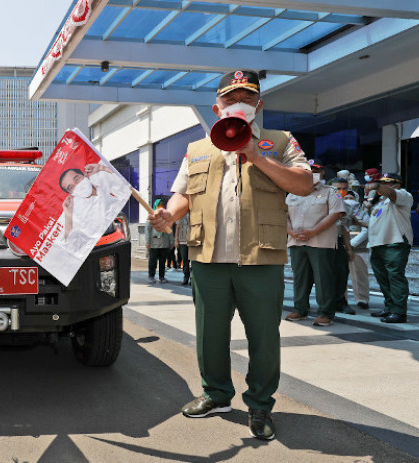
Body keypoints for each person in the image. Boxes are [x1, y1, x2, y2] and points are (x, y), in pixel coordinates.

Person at [148, 70, 312, 441]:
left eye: (248, 97)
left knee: (264, 338)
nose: (239, 103)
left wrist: (256, 156)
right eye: (230, 98)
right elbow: (183, 195)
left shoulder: (280, 141)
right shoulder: (197, 149)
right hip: (208, 258)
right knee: (210, 335)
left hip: (261, 258)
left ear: (259, 104)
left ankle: (260, 404)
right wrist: (168, 215)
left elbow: (303, 184)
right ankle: (216, 395)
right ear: (216, 106)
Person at [284, 164, 346, 326]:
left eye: (315, 171)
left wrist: (312, 231)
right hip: (296, 242)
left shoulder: (332, 191)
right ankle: (300, 309)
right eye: (307, 171)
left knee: (323, 279)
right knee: (300, 278)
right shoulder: (292, 193)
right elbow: (283, 215)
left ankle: (325, 313)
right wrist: (291, 232)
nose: (311, 173)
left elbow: (336, 214)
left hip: (321, 243)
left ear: (322, 173)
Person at [364, 173, 413, 323]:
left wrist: (376, 186)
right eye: (381, 183)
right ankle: (390, 307)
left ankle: (399, 312)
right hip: (378, 244)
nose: (383, 186)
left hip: (395, 242)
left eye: (387, 183)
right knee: (383, 278)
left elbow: (391, 193)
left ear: (396, 184)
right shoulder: (380, 202)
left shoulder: (403, 195)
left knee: (395, 277)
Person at [59, 162, 128, 260]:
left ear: (84, 175)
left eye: (77, 179)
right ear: (71, 193)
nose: (77, 185)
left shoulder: (105, 184)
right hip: (98, 254)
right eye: (71, 187)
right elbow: (69, 245)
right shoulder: (73, 212)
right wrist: (68, 216)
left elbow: (127, 190)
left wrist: (102, 168)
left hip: (118, 244)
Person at [329, 177, 356, 315]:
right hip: (322, 241)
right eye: (337, 188)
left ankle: (341, 302)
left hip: (338, 242)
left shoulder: (347, 207)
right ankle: (325, 303)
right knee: (324, 274)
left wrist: (349, 248)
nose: (341, 191)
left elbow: (345, 228)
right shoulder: (322, 203)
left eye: (344, 189)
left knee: (342, 272)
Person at [145, 199, 173, 284]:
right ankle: (151, 276)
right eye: (159, 204)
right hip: (154, 243)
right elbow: (147, 230)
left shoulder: (165, 217)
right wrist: (147, 242)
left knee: (162, 261)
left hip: (164, 243)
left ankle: (162, 277)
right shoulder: (151, 216)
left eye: (162, 204)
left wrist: (171, 241)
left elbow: (170, 230)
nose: (161, 206)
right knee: (152, 261)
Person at [175, 214, 191, 285]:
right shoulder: (180, 215)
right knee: (185, 261)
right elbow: (177, 228)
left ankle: (193, 279)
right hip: (182, 241)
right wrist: (176, 240)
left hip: (192, 242)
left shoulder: (194, 214)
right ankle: (186, 277)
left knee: (193, 262)